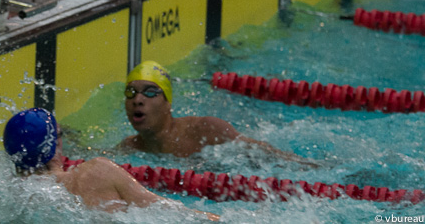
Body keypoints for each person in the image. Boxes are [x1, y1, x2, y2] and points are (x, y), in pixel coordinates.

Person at [3, 108, 220, 219]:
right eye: (60, 135)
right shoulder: (97, 173)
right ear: (53, 145)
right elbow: (173, 214)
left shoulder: (7, 198)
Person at [118, 61, 315, 164]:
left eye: (150, 92)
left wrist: (312, 165)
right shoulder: (131, 147)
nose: (138, 100)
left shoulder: (205, 130)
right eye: (131, 92)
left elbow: (265, 154)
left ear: (168, 103)